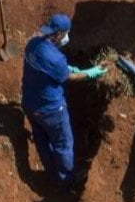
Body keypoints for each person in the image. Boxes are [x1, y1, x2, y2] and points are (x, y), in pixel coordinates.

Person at [21, 13, 105, 189]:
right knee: (63, 144)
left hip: (29, 104)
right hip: (51, 110)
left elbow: (46, 67)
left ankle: (51, 174)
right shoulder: (56, 59)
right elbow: (69, 77)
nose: (67, 36)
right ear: (59, 34)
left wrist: (67, 68)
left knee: (41, 139)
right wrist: (91, 72)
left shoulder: (32, 44)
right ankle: (66, 182)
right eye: (66, 33)